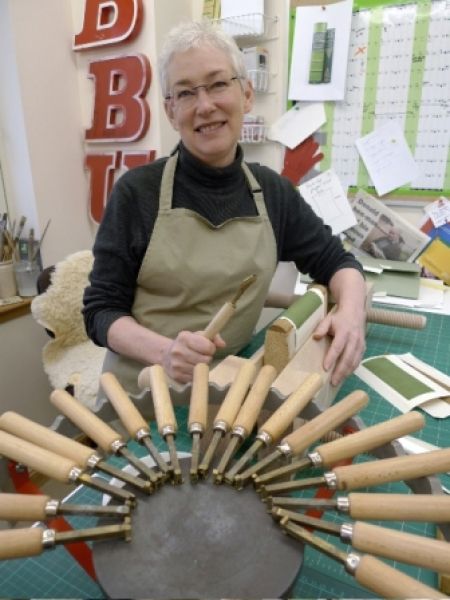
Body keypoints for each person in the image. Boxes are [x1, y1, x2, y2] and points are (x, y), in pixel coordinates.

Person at [83, 20, 367, 395]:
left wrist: (351, 313)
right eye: (185, 93)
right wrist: (166, 351)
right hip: (140, 391)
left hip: (230, 388)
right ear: (171, 111)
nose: (204, 106)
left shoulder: (273, 193)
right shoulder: (137, 193)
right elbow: (100, 311)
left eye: (218, 84)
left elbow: (338, 263)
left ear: (246, 94)